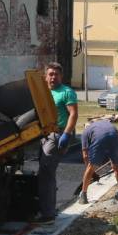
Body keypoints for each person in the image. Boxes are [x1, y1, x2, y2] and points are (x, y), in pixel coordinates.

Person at [35, 61, 78, 223]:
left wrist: (66, 134)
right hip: (42, 135)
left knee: (46, 172)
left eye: (56, 74)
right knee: (45, 173)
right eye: (50, 74)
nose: (53, 77)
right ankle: (47, 209)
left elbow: (73, 114)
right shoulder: (42, 92)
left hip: (57, 135)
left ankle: (47, 214)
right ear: (45, 77)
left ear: (61, 76)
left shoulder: (66, 92)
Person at [80, 118, 118, 205]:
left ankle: (83, 195)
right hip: (113, 137)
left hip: (99, 139)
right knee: (116, 166)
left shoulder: (86, 131)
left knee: (91, 166)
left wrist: (92, 173)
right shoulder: (109, 125)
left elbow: (85, 155)